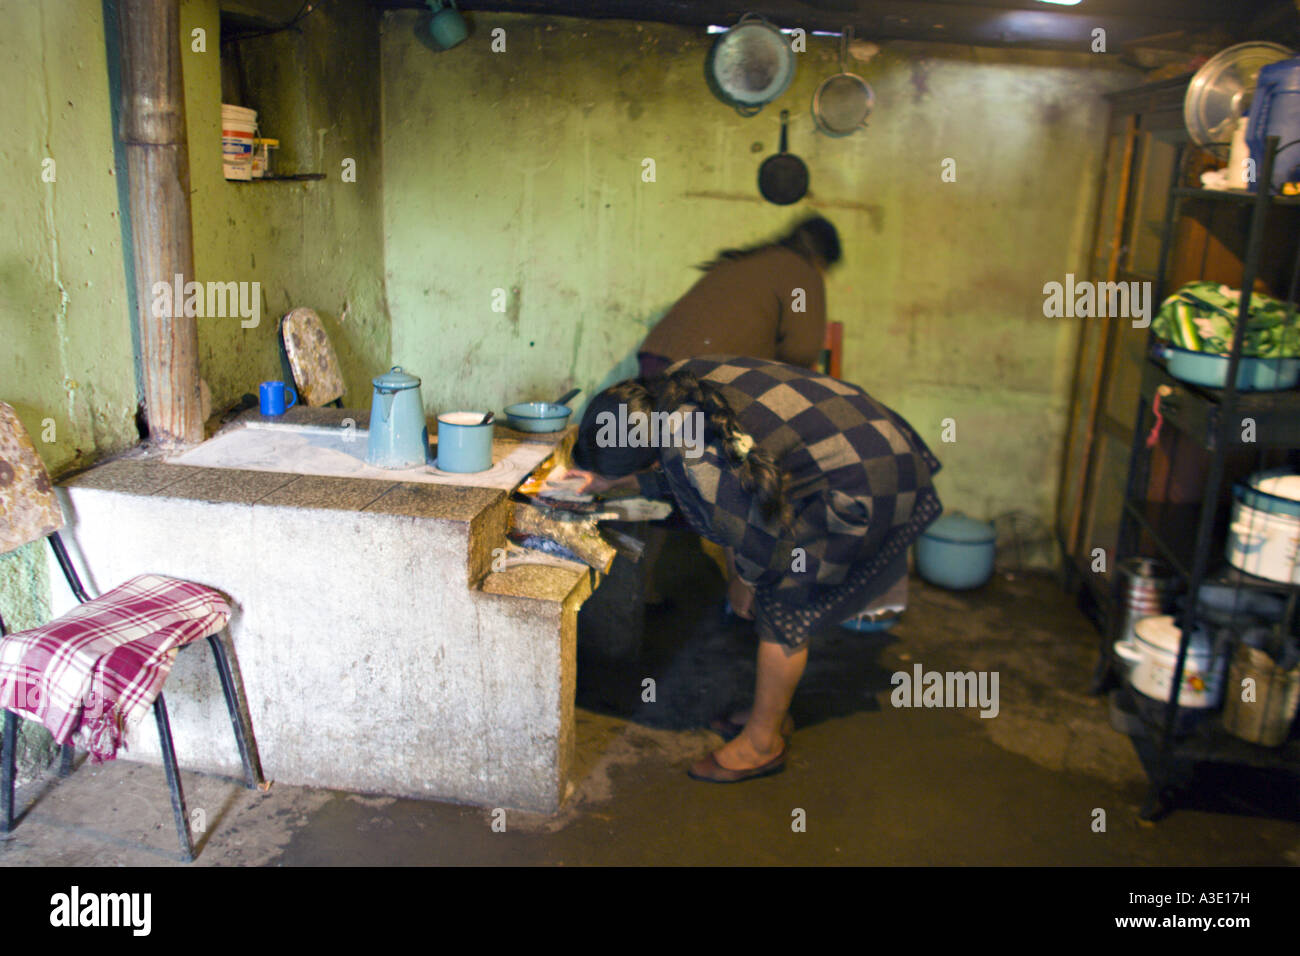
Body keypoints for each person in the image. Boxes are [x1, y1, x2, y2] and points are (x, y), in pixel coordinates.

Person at [566, 356, 943, 783]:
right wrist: (607, 479)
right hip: (866, 433)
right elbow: (723, 490)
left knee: (782, 601)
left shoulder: (701, 465)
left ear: (651, 461)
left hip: (868, 476)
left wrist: (743, 579)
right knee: (766, 584)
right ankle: (771, 709)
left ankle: (763, 741)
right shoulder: (675, 387)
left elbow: (752, 534)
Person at [637, 216, 841, 380]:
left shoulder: (751, 259)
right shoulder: (801, 273)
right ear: (820, 259)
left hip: (656, 355)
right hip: (703, 372)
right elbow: (802, 350)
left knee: (660, 430)